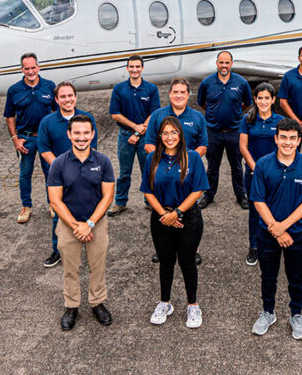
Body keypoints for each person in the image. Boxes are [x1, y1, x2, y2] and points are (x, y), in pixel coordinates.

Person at [250, 118, 302, 341]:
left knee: (296, 278)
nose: (287, 142)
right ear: (276, 138)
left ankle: (296, 315)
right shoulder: (263, 164)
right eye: (283, 137)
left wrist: (283, 228)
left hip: (297, 234)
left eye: (292, 138)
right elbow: (258, 201)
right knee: (268, 277)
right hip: (267, 234)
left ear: (299, 140)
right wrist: (276, 230)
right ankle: (268, 312)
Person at [47, 115, 116, 331]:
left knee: (97, 266)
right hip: (69, 225)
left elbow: (108, 196)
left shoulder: (103, 161)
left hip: (96, 223)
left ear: (93, 134)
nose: (81, 137)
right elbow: (55, 200)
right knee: (71, 268)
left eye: (86, 133)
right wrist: (77, 226)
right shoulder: (59, 164)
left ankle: (97, 303)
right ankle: (72, 306)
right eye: (76, 133)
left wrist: (91, 223)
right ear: (69, 135)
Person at [142, 117, 209, 329]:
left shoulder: (192, 158)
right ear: (159, 136)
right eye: (165, 133)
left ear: (180, 135)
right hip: (161, 217)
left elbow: (197, 189)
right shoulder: (152, 158)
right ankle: (165, 303)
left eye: (173, 133)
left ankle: (192, 304)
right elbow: (147, 190)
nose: (169, 137)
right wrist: (165, 215)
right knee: (166, 261)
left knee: (187, 261)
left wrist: (177, 213)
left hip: (188, 218)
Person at [143, 77, 207, 265]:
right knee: (162, 210)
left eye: (182, 92)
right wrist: (165, 162)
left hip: (188, 173)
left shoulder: (197, 117)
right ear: (169, 94)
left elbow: (203, 145)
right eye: (175, 92)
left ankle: (191, 248)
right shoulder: (157, 116)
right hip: (163, 173)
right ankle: (163, 248)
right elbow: (148, 144)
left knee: (190, 211)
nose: (178, 95)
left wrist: (186, 162)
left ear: (188, 95)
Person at [39, 82, 98, 269]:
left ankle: (88, 248)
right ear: (56, 100)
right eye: (63, 96)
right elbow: (44, 150)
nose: (67, 99)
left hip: (84, 176)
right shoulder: (47, 122)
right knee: (59, 215)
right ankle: (58, 250)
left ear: (76, 97)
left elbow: (92, 147)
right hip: (58, 179)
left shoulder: (87, 118)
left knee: (87, 211)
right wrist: (62, 169)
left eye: (70, 95)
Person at [4, 53, 57, 224]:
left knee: (51, 173)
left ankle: (53, 204)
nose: (30, 71)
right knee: (25, 174)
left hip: (46, 140)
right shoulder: (14, 90)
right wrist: (15, 139)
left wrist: (55, 135)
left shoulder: (49, 86)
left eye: (33, 67)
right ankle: (26, 206)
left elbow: (57, 113)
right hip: (25, 139)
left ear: (38, 68)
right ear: (22, 70)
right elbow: (10, 116)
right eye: (26, 68)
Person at [197, 51, 253, 210]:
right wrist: (214, 112)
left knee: (237, 165)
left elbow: (247, 103)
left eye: (227, 63)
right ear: (217, 64)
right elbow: (202, 103)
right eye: (221, 62)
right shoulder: (207, 83)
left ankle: (241, 196)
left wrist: (234, 113)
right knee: (212, 166)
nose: (224, 66)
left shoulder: (241, 83)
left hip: (234, 131)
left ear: (231, 64)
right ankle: (208, 195)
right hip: (213, 131)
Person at [108, 55, 161, 216]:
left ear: (142, 68)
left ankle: (150, 201)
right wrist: (134, 127)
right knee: (124, 172)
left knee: (149, 170)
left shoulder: (151, 89)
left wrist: (138, 132)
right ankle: (120, 202)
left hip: (145, 137)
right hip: (125, 136)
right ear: (127, 68)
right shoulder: (119, 89)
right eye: (131, 66)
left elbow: (154, 113)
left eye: (138, 66)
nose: (135, 69)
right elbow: (115, 114)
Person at [239, 82, 284, 267]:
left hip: (276, 172)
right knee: (255, 211)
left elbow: (284, 146)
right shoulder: (247, 119)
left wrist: (271, 169)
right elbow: (243, 146)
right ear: (255, 100)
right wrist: (256, 167)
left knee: (276, 208)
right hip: (253, 172)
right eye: (260, 98)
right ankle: (254, 246)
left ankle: (274, 243)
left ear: (273, 100)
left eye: (267, 98)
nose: (263, 101)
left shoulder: (280, 121)